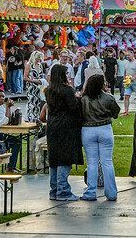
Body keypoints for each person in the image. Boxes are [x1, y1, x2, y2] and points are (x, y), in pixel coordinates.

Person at [46, 64, 84, 201]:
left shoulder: (49, 90)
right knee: (64, 158)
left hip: (52, 125)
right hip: (66, 125)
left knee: (54, 158)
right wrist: (78, 98)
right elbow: (73, 107)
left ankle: (54, 189)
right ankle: (63, 190)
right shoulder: (66, 90)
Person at [80, 74, 120, 200]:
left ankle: (91, 191)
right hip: (105, 128)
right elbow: (115, 114)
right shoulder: (109, 98)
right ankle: (111, 192)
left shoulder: (83, 99)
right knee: (107, 162)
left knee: (91, 162)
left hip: (88, 129)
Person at [24, 51, 46, 122]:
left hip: (39, 86)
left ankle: (37, 117)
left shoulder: (40, 65)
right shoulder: (29, 65)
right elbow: (25, 77)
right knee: (31, 102)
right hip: (31, 87)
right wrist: (32, 80)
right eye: (38, 58)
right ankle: (30, 117)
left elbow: (41, 74)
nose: (39, 60)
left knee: (39, 102)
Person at [122, 50, 136, 116]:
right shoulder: (126, 63)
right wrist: (124, 78)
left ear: (133, 55)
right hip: (128, 83)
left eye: (129, 55)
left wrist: (134, 77)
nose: (128, 57)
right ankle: (126, 111)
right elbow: (125, 72)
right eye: (127, 55)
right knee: (126, 96)